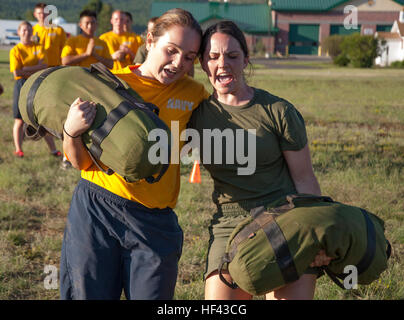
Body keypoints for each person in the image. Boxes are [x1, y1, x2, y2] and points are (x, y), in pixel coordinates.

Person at [60, 8, 209, 299]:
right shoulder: (107, 85)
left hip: (154, 221)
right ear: (150, 41)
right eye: (171, 50)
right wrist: (71, 131)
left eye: (189, 56)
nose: (179, 63)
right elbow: (79, 162)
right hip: (96, 210)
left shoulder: (194, 94)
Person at [188, 20, 332, 300]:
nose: (223, 64)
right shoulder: (195, 115)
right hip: (230, 224)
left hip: (286, 219)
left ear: (246, 59)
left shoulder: (278, 111)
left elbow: (304, 179)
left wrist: (318, 235)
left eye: (232, 56)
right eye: (213, 57)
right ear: (203, 64)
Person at [9, 21, 62, 158]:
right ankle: (18, 149)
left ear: (33, 32)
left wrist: (24, 69)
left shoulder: (39, 47)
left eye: (29, 30)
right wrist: (32, 68)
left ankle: (53, 150)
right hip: (21, 84)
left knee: (40, 118)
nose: (26, 33)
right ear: (19, 32)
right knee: (19, 120)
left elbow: (44, 66)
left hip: (37, 84)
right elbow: (16, 73)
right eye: (24, 30)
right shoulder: (15, 50)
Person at [32, 2, 66, 67]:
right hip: (37, 67)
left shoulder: (59, 30)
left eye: (45, 13)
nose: (42, 15)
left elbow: (64, 49)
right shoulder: (31, 31)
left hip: (55, 66)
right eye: (39, 13)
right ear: (35, 14)